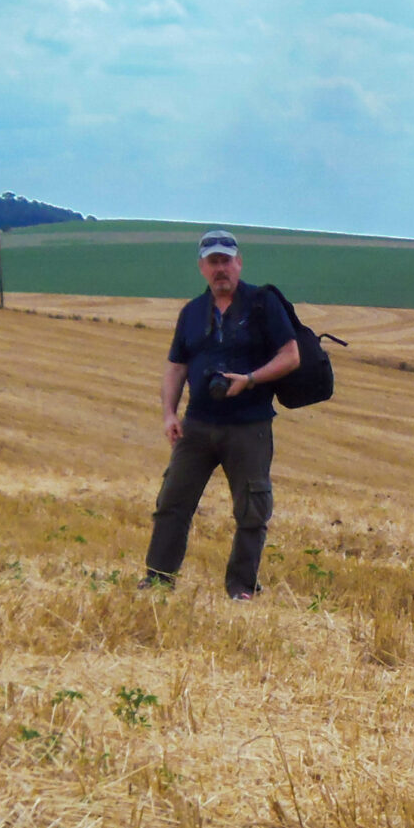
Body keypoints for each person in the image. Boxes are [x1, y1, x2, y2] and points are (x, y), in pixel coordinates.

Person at [141, 230, 301, 601]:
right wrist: (168, 414)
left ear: (239, 263)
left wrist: (249, 379)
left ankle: (241, 587)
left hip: (249, 424)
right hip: (198, 423)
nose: (220, 269)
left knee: (251, 510)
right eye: (213, 262)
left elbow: (291, 355)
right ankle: (159, 579)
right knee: (172, 503)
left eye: (226, 261)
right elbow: (176, 368)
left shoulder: (262, 304)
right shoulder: (192, 313)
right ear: (202, 268)